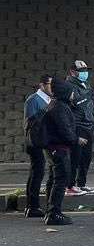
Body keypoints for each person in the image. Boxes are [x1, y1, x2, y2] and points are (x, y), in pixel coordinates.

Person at [44, 78, 78, 225]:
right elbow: (65, 130)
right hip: (59, 148)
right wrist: (75, 140)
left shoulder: (54, 104)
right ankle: (54, 213)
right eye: (71, 92)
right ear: (65, 92)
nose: (73, 94)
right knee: (60, 180)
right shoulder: (60, 107)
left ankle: (50, 210)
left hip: (53, 148)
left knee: (53, 179)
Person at [66, 59, 94, 195]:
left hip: (88, 125)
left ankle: (81, 184)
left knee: (86, 158)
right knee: (75, 157)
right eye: (81, 71)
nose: (84, 73)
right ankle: (70, 185)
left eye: (85, 70)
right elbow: (78, 102)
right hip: (77, 126)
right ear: (72, 72)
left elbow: (88, 103)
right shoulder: (69, 85)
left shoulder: (85, 85)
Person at [22, 75, 53, 218]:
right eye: (50, 84)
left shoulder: (47, 100)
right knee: (37, 172)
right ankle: (32, 205)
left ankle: (32, 205)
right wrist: (47, 110)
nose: (52, 88)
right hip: (34, 141)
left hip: (42, 140)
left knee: (38, 172)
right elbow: (32, 122)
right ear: (42, 85)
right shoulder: (33, 100)